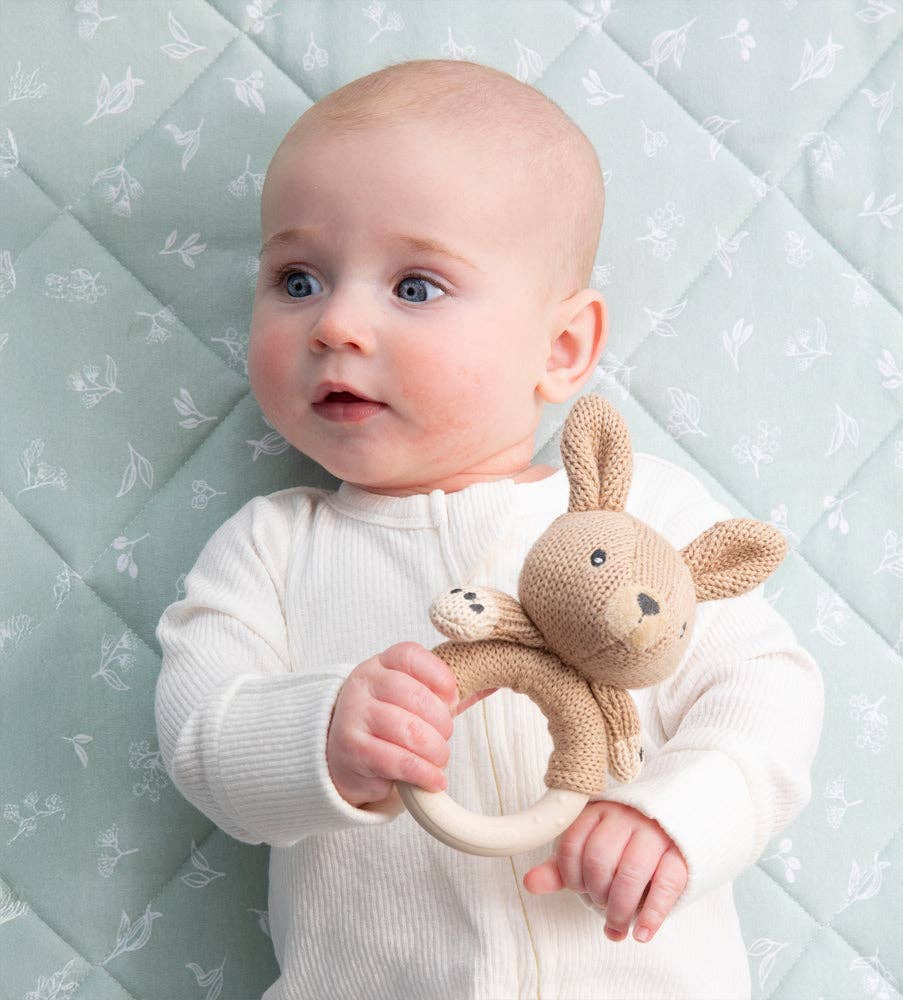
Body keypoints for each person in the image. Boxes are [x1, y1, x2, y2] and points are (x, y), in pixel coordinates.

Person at [154, 58, 824, 1000]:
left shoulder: (639, 516)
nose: (336, 325)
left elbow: (766, 688)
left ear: (562, 348)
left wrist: (679, 817)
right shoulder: (270, 549)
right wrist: (321, 733)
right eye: (296, 279)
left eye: (415, 287)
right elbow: (199, 736)